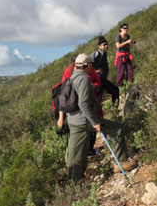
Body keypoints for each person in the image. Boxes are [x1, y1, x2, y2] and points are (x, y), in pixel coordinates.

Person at [58, 53, 137, 182]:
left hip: (72, 120)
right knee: (116, 129)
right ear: (87, 65)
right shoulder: (83, 79)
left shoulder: (71, 78)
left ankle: (74, 181)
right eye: (91, 64)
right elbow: (83, 104)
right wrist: (95, 122)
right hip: (85, 120)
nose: (92, 67)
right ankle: (121, 162)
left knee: (76, 153)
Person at [61, 55, 102, 155]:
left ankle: (89, 150)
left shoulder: (88, 71)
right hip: (76, 111)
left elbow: (97, 81)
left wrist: (92, 87)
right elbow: (65, 93)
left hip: (82, 109)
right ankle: (82, 153)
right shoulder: (70, 73)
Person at [90, 36, 119, 104]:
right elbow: (86, 65)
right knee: (98, 99)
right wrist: (96, 71)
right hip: (97, 80)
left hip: (102, 79)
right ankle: (96, 114)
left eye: (106, 44)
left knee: (115, 91)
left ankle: (115, 110)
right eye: (104, 45)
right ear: (99, 46)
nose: (106, 46)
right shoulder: (96, 54)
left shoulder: (104, 54)